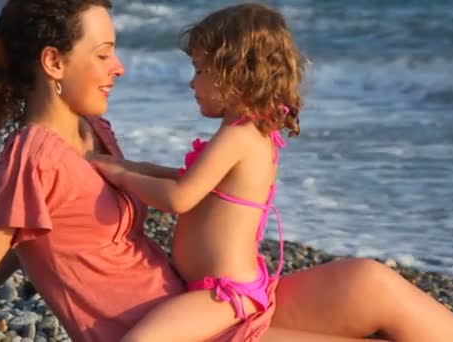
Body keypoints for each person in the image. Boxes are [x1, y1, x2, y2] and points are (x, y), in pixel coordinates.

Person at [0, 1, 453, 341]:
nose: (119, 67)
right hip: (170, 330)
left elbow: (16, 239)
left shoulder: (95, 135)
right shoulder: (35, 154)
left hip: (207, 303)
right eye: (103, 54)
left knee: (369, 281)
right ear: (54, 63)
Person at [89, 4, 302, 341]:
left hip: (224, 295)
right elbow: (187, 179)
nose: (192, 82)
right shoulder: (246, 130)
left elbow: (180, 197)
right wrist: (129, 166)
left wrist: (122, 177)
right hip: (216, 289)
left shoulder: (239, 135)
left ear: (236, 74)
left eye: (201, 71)